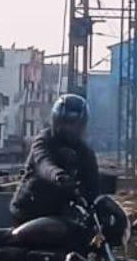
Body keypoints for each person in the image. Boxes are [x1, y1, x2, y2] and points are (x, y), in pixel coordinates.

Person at [10, 94, 99, 223]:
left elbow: (93, 184)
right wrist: (57, 175)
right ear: (56, 121)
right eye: (65, 123)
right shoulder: (43, 141)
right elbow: (44, 163)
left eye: (74, 124)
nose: (69, 128)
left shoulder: (84, 151)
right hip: (30, 211)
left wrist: (96, 202)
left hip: (62, 213)